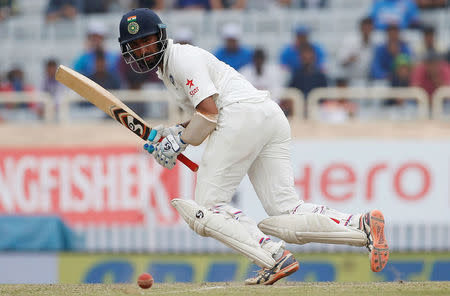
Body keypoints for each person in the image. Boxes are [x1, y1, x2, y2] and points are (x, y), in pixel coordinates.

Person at [117, 8, 390, 285]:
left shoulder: (181, 58)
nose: (142, 51)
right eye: (135, 46)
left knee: (208, 208)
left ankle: (272, 255)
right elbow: (205, 115)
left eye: (146, 41)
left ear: (161, 36)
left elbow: (210, 115)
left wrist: (179, 141)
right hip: (267, 115)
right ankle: (360, 226)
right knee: (286, 211)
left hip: (242, 116)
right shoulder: (170, 69)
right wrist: (175, 134)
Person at [337, 17, 375, 86]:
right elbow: (341, 62)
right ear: (361, 28)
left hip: (367, 80)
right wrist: (349, 59)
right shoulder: (349, 41)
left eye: (369, 28)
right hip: (349, 80)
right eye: (365, 28)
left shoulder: (375, 42)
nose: (367, 30)